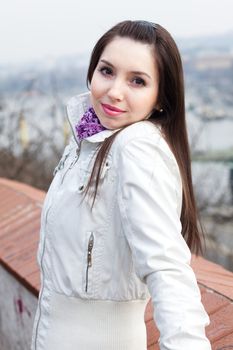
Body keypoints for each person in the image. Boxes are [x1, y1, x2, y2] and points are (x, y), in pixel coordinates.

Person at [31, 20, 212, 350]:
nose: (114, 91)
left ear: (161, 98)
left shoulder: (136, 148)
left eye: (138, 81)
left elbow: (168, 270)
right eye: (107, 71)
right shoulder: (90, 138)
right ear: (92, 72)